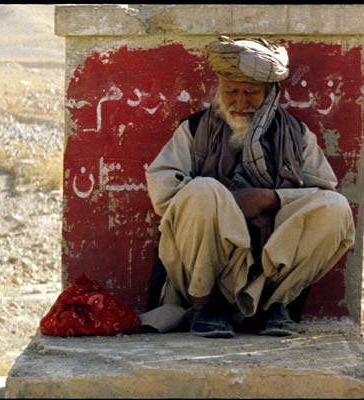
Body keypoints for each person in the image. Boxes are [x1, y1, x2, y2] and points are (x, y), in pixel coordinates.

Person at [143, 36, 355, 339]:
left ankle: (274, 305)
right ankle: (207, 305)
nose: (240, 102)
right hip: (209, 262)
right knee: (202, 190)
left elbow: (323, 191)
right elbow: (164, 192)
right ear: (219, 89)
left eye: (251, 93)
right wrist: (228, 206)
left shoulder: (296, 135)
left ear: (270, 93)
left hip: (269, 260)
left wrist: (269, 199)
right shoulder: (193, 130)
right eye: (232, 91)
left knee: (335, 210)